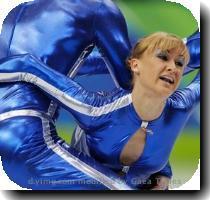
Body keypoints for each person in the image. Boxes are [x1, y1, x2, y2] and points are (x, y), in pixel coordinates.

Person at [0, 32, 200, 189]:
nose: (173, 67)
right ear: (135, 65)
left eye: (180, 63)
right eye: (163, 58)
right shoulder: (98, 109)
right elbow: (27, 65)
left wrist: (162, 176)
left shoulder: (181, 106)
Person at [0, 0, 133, 190]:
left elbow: (48, 65)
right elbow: (131, 81)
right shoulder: (99, 7)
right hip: (28, 139)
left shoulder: (18, 10)